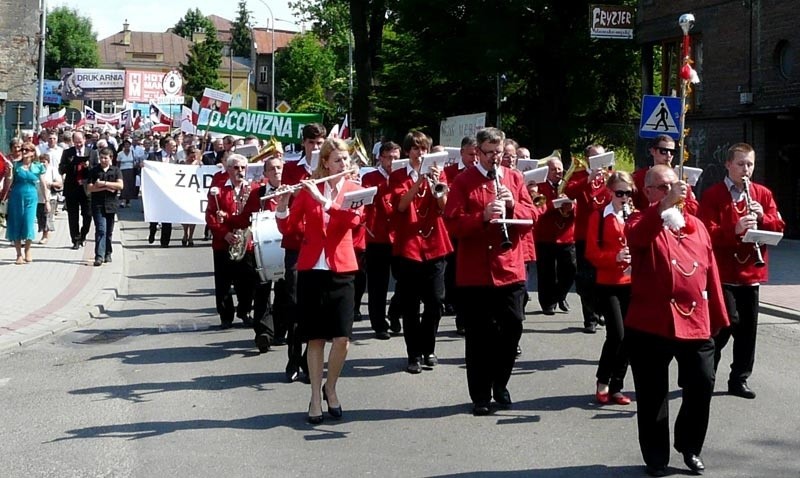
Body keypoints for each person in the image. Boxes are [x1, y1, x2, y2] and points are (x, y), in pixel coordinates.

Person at [625, 164, 729, 477]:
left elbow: (711, 272)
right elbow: (639, 237)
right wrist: (664, 206)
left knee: (702, 381)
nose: (672, 191)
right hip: (650, 322)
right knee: (653, 392)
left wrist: (721, 317)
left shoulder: (696, 225)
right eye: (663, 186)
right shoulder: (639, 220)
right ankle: (656, 457)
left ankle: (690, 445)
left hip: (695, 319)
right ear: (648, 192)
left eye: (675, 185)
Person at [444, 127, 535, 415]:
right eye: (489, 153)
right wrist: (482, 217)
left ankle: (501, 382)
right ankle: (481, 395)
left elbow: (533, 216)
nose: (495, 159)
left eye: (499, 153)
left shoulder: (515, 178)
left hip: (509, 267)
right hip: (476, 272)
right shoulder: (463, 181)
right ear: (478, 153)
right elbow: (453, 224)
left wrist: (513, 206)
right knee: (479, 336)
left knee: (513, 327)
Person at [275, 138, 364, 424]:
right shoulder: (308, 189)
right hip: (313, 268)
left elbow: (351, 221)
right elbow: (288, 228)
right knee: (314, 337)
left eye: (346, 160)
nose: (344, 165)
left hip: (342, 269)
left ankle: (331, 386)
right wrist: (283, 203)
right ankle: (315, 395)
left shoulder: (356, 190)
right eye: (338, 160)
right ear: (325, 162)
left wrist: (324, 201)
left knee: (342, 338)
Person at [697, 143, 785, 400]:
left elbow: (778, 227)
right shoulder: (714, 195)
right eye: (740, 164)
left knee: (747, 333)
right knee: (725, 326)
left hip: (751, 274)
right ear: (728, 164)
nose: (746, 170)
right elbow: (704, 235)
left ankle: (739, 379)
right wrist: (734, 230)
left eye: (750, 164)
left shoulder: (762, 194)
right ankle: (706, 374)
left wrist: (763, 219)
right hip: (723, 273)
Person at [390, 131, 453, 374]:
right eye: (416, 149)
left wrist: (437, 186)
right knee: (410, 305)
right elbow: (401, 205)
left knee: (436, 301)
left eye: (424, 149)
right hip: (409, 247)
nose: (420, 153)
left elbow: (444, 207)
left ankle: (429, 348)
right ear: (408, 152)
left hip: (435, 244)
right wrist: (418, 182)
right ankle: (413, 353)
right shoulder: (398, 176)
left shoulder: (440, 172)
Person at [280, 123, 326, 383]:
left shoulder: (328, 169)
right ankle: (293, 358)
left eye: (320, 144)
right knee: (295, 303)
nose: (316, 148)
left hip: (321, 244)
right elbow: (283, 204)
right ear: (304, 144)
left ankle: (311, 362)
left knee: (316, 306)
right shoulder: (291, 169)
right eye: (311, 143)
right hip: (297, 243)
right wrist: (297, 191)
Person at [585, 171, 634, 405]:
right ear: (610, 192)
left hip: (632, 281)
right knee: (617, 333)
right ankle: (602, 380)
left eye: (628, 193)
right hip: (608, 282)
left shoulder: (634, 216)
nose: (624, 197)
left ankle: (617, 385)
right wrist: (613, 257)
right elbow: (591, 253)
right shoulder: (599, 217)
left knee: (630, 336)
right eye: (619, 193)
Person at [227, 154, 286, 353]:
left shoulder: (292, 192)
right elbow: (244, 219)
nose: (276, 171)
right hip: (263, 251)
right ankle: (264, 333)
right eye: (272, 169)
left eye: (279, 167)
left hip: (288, 248)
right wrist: (226, 221)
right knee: (261, 292)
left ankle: (280, 331)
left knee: (284, 293)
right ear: (266, 173)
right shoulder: (257, 194)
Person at [205, 154, 257, 329]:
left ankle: (244, 310)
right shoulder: (218, 189)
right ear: (228, 169)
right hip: (223, 242)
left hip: (246, 242)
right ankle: (226, 316)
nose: (240, 171)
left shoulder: (253, 188)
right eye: (236, 168)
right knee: (223, 281)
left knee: (248, 280)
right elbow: (210, 215)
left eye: (243, 168)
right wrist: (224, 233)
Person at [565, 144, 611, 333]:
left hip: (606, 232)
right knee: (586, 277)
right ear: (588, 159)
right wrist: (588, 179)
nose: (599, 162)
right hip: (585, 233)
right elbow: (569, 191)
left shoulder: (610, 176)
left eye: (602, 157)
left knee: (603, 276)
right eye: (595, 158)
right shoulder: (580, 174)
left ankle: (602, 310)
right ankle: (590, 318)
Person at [361, 141, 402, 339]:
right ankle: (379, 324)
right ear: (381, 157)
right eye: (389, 157)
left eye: (396, 157)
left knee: (405, 281)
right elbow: (368, 203)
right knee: (378, 284)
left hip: (399, 236)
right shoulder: (370, 177)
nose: (392, 161)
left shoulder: (402, 176)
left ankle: (394, 312)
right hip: (377, 236)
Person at [442, 136, 479, 335]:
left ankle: (464, 314)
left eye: (476, 154)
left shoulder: (484, 173)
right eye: (470, 154)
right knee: (454, 268)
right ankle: (451, 302)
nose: (474, 158)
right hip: (457, 226)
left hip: (477, 228)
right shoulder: (450, 172)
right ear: (462, 153)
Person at [534, 157, 576, 315]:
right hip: (545, 235)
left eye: (559, 169)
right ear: (546, 172)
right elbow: (538, 209)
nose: (558, 172)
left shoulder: (569, 185)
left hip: (566, 235)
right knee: (546, 272)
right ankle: (547, 303)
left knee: (570, 269)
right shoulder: (539, 187)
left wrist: (572, 207)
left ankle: (560, 294)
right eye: (553, 170)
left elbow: (578, 204)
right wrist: (553, 204)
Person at [632, 134, 698, 214]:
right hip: (648, 221)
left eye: (672, 152)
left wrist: (684, 195)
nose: (669, 155)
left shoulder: (680, 177)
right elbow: (631, 204)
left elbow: (693, 209)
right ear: (653, 151)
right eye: (664, 151)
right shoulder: (638, 177)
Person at [6, 142, 48, 264]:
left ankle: (28, 250)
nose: (23, 152)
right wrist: (9, 174)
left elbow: (43, 184)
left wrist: (46, 201)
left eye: (27, 150)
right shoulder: (15, 165)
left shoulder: (38, 166)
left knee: (29, 222)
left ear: (33, 152)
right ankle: (18, 254)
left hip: (31, 196)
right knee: (16, 223)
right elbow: (9, 182)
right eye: (22, 149)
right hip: (16, 196)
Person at [86, 148, 123, 266]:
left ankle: (108, 253)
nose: (103, 160)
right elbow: (90, 188)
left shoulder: (116, 170)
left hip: (111, 204)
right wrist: (106, 188)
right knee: (101, 229)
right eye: (101, 157)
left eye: (105, 158)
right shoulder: (94, 171)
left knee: (109, 231)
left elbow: (120, 185)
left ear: (111, 158)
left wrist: (104, 184)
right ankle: (99, 256)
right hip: (98, 204)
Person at [58, 132, 93, 250]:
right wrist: (72, 163)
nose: (78, 144)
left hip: (86, 189)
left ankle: (83, 235)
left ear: (84, 140)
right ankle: (75, 239)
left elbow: (97, 170)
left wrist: (89, 166)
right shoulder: (67, 153)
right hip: (71, 188)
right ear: (73, 141)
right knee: (73, 216)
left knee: (88, 215)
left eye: (80, 141)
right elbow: (61, 169)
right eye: (76, 142)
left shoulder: (92, 152)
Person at [147, 136, 179, 247]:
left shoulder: (176, 158)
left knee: (167, 216)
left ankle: (165, 241)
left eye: (175, 145)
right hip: (156, 191)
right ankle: (152, 231)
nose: (175, 147)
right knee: (155, 215)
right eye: (173, 145)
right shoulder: (154, 156)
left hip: (170, 191)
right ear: (166, 145)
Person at [179, 145, 203, 246]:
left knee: (192, 216)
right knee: (185, 216)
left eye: (195, 156)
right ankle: (185, 233)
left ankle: (191, 237)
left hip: (195, 192)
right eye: (191, 156)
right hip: (184, 192)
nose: (193, 158)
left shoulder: (200, 164)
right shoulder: (182, 163)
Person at [36, 153, 62, 244]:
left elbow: (59, 183)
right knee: (40, 217)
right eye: (40, 162)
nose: (42, 164)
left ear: (48, 162)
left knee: (47, 216)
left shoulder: (52, 170)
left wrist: (50, 184)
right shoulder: (36, 170)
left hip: (50, 198)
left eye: (44, 162)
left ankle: (45, 235)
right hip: (38, 198)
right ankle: (45, 233)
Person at [116, 139, 137, 208]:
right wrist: (117, 172)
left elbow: (135, 161)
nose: (127, 146)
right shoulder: (120, 154)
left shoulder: (133, 153)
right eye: (125, 145)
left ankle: (128, 201)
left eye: (128, 145)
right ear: (124, 146)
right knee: (123, 185)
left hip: (131, 170)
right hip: (123, 170)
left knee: (130, 185)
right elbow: (118, 163)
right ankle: (122, 201)